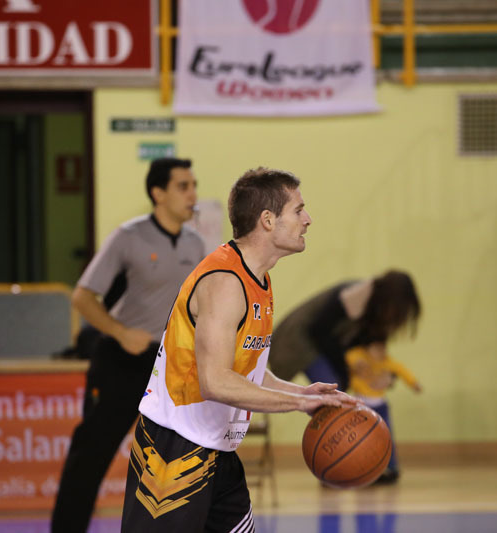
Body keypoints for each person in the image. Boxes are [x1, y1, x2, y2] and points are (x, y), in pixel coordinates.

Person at [121, 167, 359, 532]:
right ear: (267, 220)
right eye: (298, 210)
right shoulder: (225, 282)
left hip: (218, 452)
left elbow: (245, 369)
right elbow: (216, 382)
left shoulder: (257, 277)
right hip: (173, 453)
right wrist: (296, 404)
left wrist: (303, 393)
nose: (307, 220)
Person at [52, 158, 205, 533]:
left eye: (193, 186)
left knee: (183, 458)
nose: (192, 194)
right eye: (183, 186)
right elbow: (83, 298)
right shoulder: (128, 237)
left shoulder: (196, 243)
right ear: (158, 193)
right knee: (92, 452)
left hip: (169, 364)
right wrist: (121, 333)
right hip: (122, 359)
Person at [268, 270, 422, 482]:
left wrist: (387, 377)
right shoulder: (356, 295)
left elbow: (376, 355)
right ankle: (332, 468)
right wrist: (344, 374)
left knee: (355, 400)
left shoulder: (377, 309)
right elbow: (320, 332)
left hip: (316, 344)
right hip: (299, 340)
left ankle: (384, 466)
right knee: (334, 397)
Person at [345, 341, 422, 483]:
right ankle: (362, 469)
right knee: (361, 440)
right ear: (368, 347)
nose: (381, 352)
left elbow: (401, 370)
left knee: (386, 437)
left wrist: (414, 383)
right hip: (361, 405)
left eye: (383, 349)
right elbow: (348, 359)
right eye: (377, 348)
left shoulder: (387, 362)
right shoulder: (357, 355)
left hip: (380, 405)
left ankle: (391, 467)